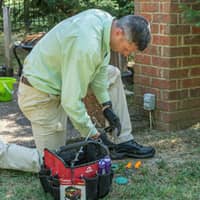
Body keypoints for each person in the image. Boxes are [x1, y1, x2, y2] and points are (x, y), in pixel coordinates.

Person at [0, 9, 155, 173]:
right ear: (118, 32)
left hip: (61, 81)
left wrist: (106, 106)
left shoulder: (105, 22)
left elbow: (100, 70)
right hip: (40, 94)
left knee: (112, 73)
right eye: (126, 49)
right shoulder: (87, 46)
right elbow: (71, 102)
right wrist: (94, 135)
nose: (125, 54)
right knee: (55, 164)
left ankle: (123, 141)